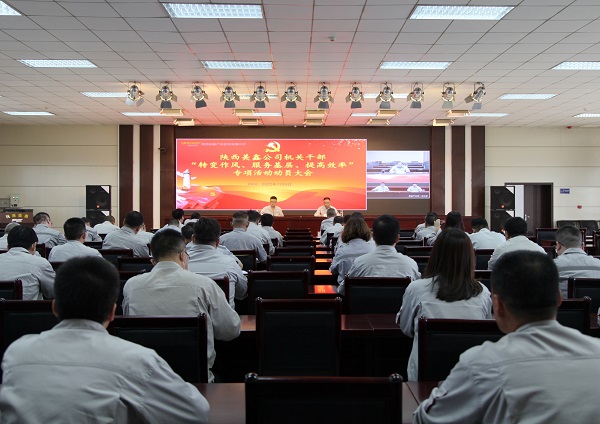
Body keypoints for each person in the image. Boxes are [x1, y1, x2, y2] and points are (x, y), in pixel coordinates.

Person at [0, 256, 210, 423]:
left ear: (54, 307)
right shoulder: (137, 360)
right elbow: (195, 412)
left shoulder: (16, 352)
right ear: (112, 312)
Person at [413, 251, 600, 423]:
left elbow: (426, 419)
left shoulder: (482, 365)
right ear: (559, 299)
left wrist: (448, 387)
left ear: (498, 305)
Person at [123, 230, 241, 382]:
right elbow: (230, 330)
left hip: (144, 381)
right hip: (195, 382)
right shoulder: (203, 284)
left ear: (153, 260)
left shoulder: (132, 286)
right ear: (182, 255)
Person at [398, 228, 492, 381]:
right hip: (470, 379)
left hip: (424, 381)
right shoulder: (482, 292)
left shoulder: (416, 289)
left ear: (435, 255)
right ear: (469, 258)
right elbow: (484, 331)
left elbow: (406, 328)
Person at [187, 217, 248, 308]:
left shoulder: (180, 263)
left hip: (189, 315)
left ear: (193, 238)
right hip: (224, 317)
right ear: (218, 242)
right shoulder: (229, 263)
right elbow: (242, 293)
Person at [347, 214, 420, 281]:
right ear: (397, 239)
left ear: (373, 237)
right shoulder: (411, 264)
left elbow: (344, 288)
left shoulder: (359, 263)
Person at [0, 226, 55, 300]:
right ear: (34, 245)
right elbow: (54, 291)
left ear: (8, 245)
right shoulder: (40, 263)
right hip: (29, 307)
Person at [554, 225, 600, 298]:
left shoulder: (552, 265)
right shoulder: (598, 264)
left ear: (558, 246)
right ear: (583, 246)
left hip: (564, 305)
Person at [330, 218, 375, 292]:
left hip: (345, 292)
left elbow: (333, 270)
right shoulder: (373, 249)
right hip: (368, 292)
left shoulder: (342, 251)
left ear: (346, 231)